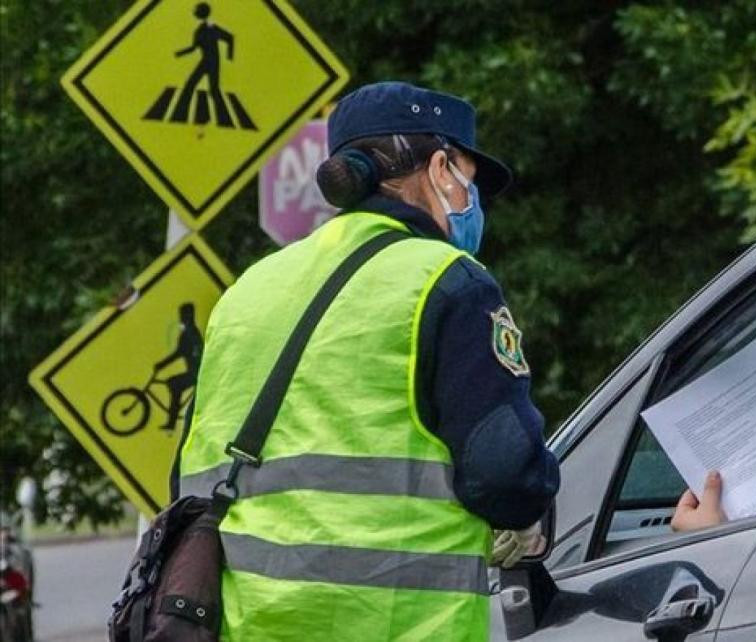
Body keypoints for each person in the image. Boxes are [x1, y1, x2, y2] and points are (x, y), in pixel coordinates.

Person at [175, 82, 559, 641]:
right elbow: (505, 471)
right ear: (441, 167)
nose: (474, 203)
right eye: (471, 181)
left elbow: (188, 469)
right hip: (402, 627)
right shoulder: (447, 281)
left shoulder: (248, 290)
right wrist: (527, 518)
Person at [153, 302, 202, 431]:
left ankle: (172, 421)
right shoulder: (189, 332)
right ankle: (172, 421)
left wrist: (161, 365)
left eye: (184, 315)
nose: (182, 318)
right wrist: (162, 364)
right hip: (196, 371)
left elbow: (179, 353)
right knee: (174, 385)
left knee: (174, 384)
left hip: (197, 373)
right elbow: (180, 352)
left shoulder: (190, 333)